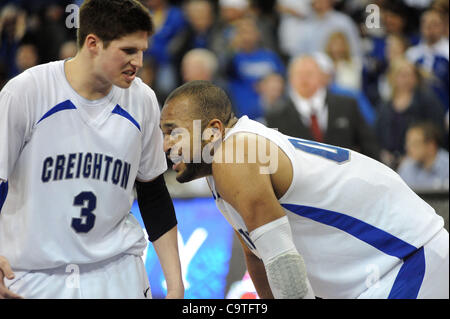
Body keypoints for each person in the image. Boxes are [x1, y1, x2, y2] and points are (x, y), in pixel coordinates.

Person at [160, 80, 449, 299]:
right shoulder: (224, 165)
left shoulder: (236, 154)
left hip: (407, 255)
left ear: (212, 130)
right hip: (387, 267)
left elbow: (281, 257)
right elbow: (257, 257)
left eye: (174, 132)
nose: (166, 145)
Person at [0, 0, 184, 299]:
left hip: (118, 272)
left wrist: (175, 285)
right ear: (93, 43)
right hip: (34, 276)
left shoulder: (143, 100)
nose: (138, 62)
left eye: (142, 51)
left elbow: (153, 194)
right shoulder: (26, 92)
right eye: (128, 51)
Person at [266, 55, 380, 160]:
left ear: (322, 77)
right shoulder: (275, 115)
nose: (304, 79)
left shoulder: (347, 105)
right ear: (290, 79)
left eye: (309, 74)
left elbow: (370, 147)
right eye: (299, 74)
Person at [397, 121, 449, 191]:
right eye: (408, 143)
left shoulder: (447, 166)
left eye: (414, 143)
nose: (408, 148)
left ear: (431, 146)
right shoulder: (407, 166)